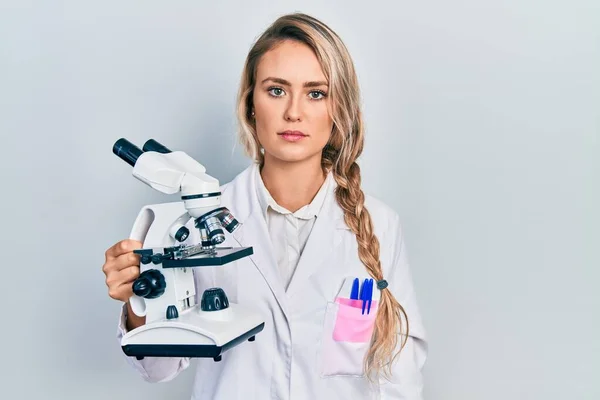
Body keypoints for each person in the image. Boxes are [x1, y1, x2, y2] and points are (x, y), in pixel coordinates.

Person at [102, 12, 427, 399]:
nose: (294, 111)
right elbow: (158, 367)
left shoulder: (379, 225)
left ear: (337, 111)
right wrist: (140, 299)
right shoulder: (198, 224)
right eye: (276, 90)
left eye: (315, 92)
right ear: (250, 104)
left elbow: (400, 372)